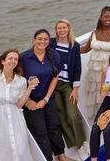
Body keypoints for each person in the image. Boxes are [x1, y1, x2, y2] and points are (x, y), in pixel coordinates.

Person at [0, 50, 37, 161]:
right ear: (3, 61)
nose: (13, 61)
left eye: (16, 59)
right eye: (10, 58)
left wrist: (29, 88)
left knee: (20, 149)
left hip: (16, 121)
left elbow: (19, 104)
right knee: (0, 153)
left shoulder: (21, 81)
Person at [20, 29, 66, 161]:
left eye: (46, 39)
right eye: (39, 38)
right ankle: (48, 159)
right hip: (31, 103)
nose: (42, 41)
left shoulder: (54, 55)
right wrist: (28, 100)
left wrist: (45, 99)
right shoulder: (24, 58)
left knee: (54, 127)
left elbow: (55, 78)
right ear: (33, 40)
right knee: (40, 132)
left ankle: (61, 156)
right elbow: (17, 81)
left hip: (48, 99)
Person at [50, 20, 89, 158]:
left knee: (73, 115)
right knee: (61, 116)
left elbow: (78, 67)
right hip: (53, 84)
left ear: (68, 29)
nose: (61, 30)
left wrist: (75, 88)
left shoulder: (74, 46)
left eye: (64, 27)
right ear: (56, 30)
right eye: (59, 28)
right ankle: (74, 144)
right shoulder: (50, 43)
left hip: (67, 85)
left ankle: (82, 142)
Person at [81, 6, 110, 117]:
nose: (108, 19)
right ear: (101, 17)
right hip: (95, 74)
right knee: (98, 95)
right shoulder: (94, 33)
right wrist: (69, 48)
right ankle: (101, 119)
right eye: (106, 16)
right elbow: (86, 49)